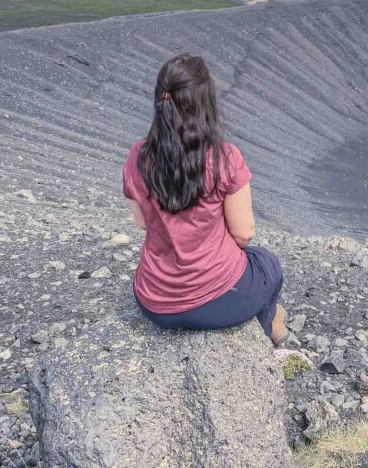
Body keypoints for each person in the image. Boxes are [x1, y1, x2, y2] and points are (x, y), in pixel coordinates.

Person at [122, 53, 288, 344]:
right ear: (205, 102)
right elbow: (244, 234)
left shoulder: (139, 155)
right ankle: (268, 333)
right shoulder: (225, 157)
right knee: (267, 264)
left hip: (154, 302)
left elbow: (142, 221)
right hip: (216, 300)